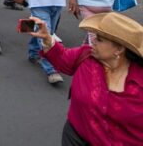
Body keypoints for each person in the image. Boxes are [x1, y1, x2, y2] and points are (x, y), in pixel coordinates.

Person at [29, 12, 143, 145]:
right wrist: (47, 40)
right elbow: (62, 58)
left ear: (119, 49)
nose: (93, 41)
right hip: (75, 138)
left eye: (99, 39)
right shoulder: (85, 55)